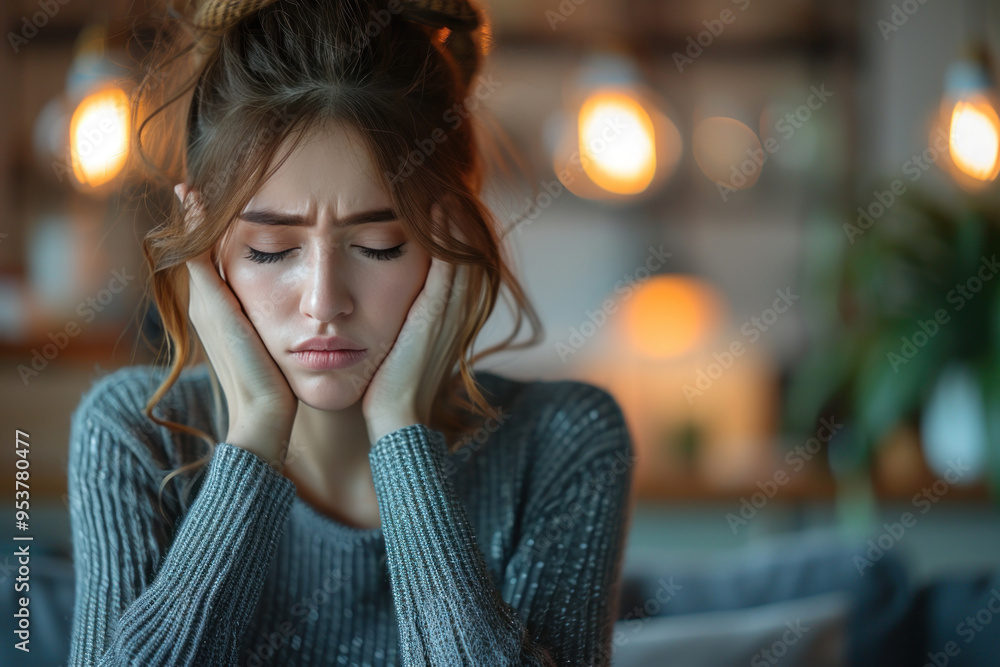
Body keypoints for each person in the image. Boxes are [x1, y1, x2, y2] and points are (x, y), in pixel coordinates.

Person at [66, 0, 635, 664]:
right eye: (272, 249)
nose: (324, 302)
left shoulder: (565, 441)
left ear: (449, 238)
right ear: (205, 244)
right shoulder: (135, 435)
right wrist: (254, 433)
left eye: (380, 244)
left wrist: (400, 430)